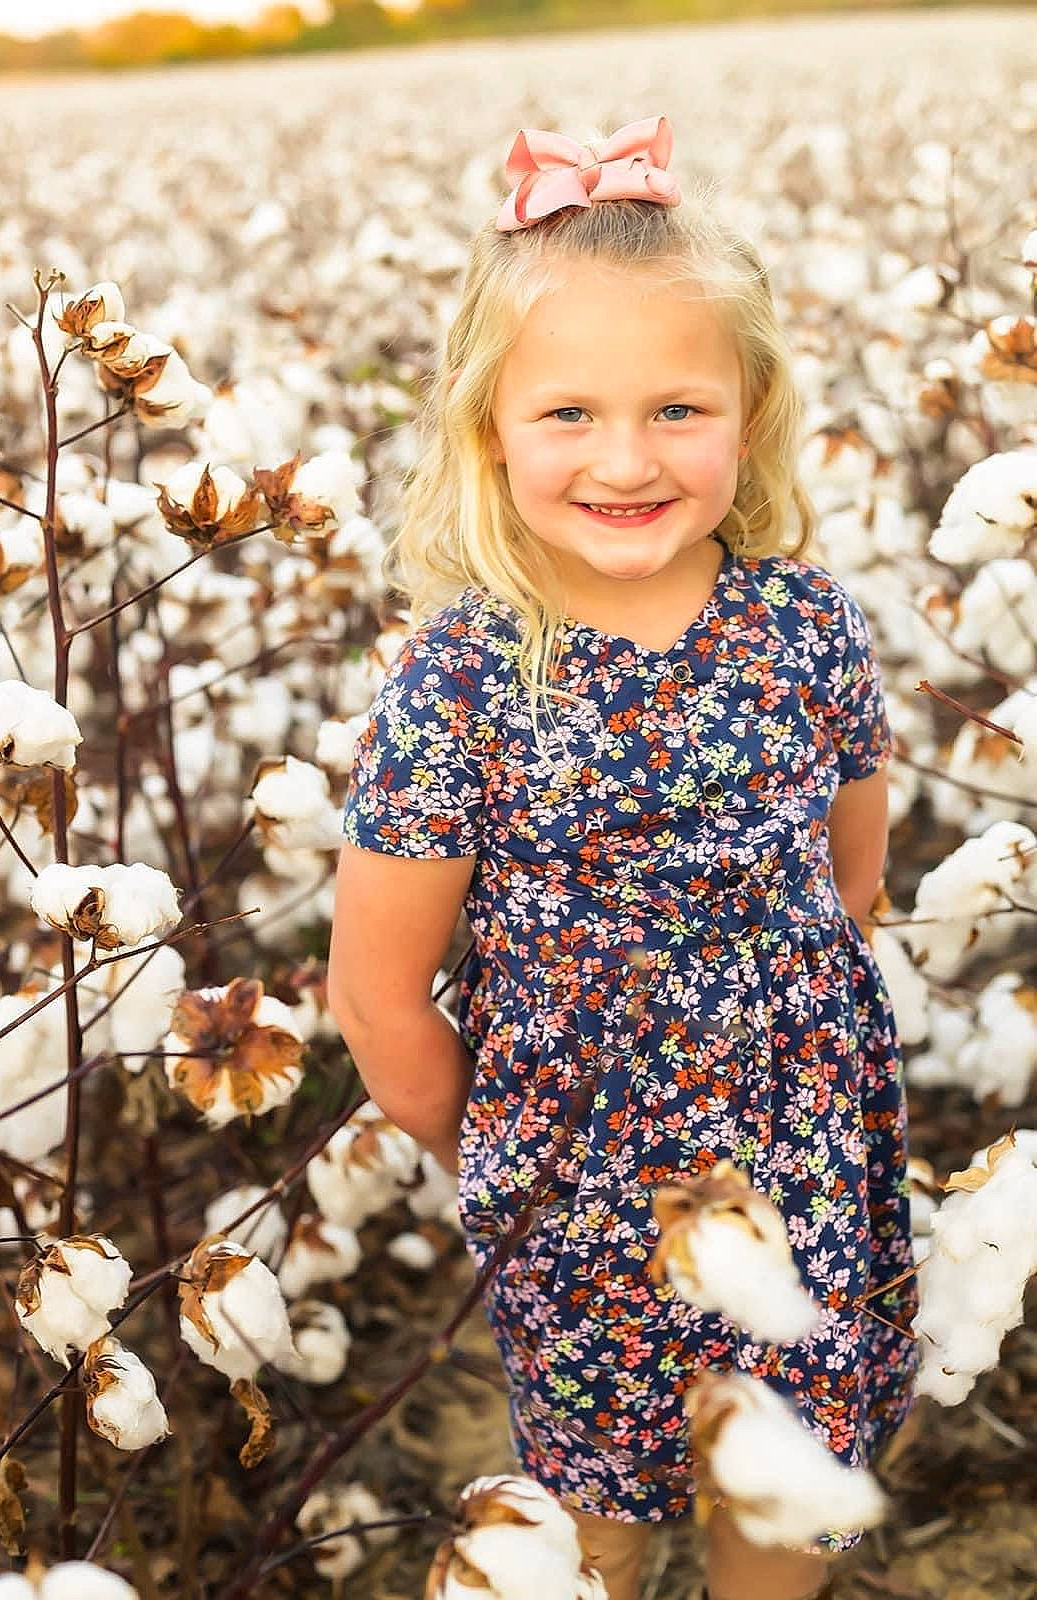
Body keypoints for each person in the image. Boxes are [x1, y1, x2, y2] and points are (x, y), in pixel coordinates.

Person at [327, 115, 920, 1600]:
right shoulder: (461, 677)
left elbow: (850, 876)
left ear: (752, 412)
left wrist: (781, 1045)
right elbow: (379, 996)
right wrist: (512, 1160)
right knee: (601, 1493)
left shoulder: (807, 626)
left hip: (803, 1147)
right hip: (578, 1179)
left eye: (677, 410)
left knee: (782, 1471)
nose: (627, 459)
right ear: (489, 431)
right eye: (569, 415)